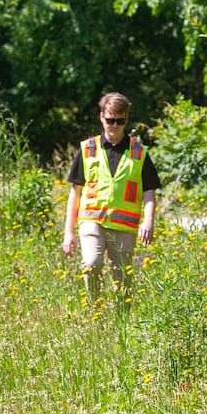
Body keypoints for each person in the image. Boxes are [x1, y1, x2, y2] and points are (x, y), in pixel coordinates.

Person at [61, 92, 160, 301]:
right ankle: (95, 310)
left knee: (123, 279)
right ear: (101, 117)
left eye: (120, 121)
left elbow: (149, 191)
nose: (114, 126)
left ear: (126, 119)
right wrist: (68, 232)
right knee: (91, 263)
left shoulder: (139, 152)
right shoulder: (87, 149)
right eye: (110, 120)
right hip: (91, 221)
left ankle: (120, 323)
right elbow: (75, 192)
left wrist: (148, 221)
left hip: (124, 227)